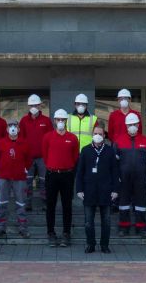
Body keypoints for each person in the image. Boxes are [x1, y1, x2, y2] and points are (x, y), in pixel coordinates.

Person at [75, 126, 120, 254]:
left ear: (104, 136)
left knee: (106, 221)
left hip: (106, 192)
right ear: (92, 135)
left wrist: (115, 190)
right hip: (89, 191)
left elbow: (115, 172)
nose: (97, 135)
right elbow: (80, 172)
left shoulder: (110, 151)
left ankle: (104, 245)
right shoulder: (85, 150)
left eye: (100, 133)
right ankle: (90, 244)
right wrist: (79, 189)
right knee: (88, 222)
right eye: (95, 133)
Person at [42, 108, 80, 247]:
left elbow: (75, 157)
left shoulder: (72, 138)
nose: (60, 122)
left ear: (66, 121)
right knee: (50, 206)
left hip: (67, 175)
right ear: (54, 121)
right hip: (52, 174)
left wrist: (68, 170)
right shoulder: (47, 137)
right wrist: (53, 166)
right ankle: (51, 233)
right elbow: (45, 156)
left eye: (62, 120)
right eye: (58, 120)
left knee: (67, 206)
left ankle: (66, 233)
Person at [114, 111, 146, 238]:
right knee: (123, 203)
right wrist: (116, 176)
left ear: (138, 125)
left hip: (141, 179)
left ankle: (141, 228)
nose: (132, 126)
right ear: (126, 126)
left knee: (141, 204)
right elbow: (113, 161)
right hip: (124, 179)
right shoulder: (118, 141)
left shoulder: (145, 141)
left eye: (134, 124)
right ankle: (124, 228)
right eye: (130, 124)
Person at [0, 119, 31, 240]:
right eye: (10, 126)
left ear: (19, 129)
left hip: (19, 178)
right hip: (4, 178)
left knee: (21, 203)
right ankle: (0, 227)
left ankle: (23, 228)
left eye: (15, 125)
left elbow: (28, 160)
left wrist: (24, 169)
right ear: (6, 129)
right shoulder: (0, 143)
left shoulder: (25, 143)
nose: (13, 128)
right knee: (2, 203)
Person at [18, 93, 52, 211]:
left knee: (44, 181)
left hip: (43, 157)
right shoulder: (23, 121)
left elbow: (50, 139)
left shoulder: (46, 121)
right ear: (28, 106)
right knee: (27, 181)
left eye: (36, 105)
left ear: (40, 105)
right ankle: (27, 203)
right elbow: (20, 139)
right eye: (31, 105)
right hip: (28, 158)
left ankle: (45, 203)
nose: (34, 107)